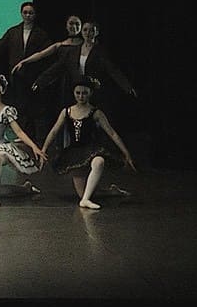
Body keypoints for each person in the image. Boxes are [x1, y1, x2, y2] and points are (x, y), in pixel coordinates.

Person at [39, 79, 136, 210]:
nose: (81, 96)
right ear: (73, 93)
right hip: (74, 153)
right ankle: (110, 192)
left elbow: (112, 133)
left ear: (90, 93)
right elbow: (54, 131)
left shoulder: (96, 112)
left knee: (99, 162)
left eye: (84, 93)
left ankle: (85, 200)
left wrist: (126, 153)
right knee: (82, 193)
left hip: (91, 150)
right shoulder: (67, 111)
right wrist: (44, 149)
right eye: (78, 93)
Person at [0, 1, 50, 138]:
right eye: (25, 12)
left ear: (35, 14)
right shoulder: (13, 31)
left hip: (34, 75)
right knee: (19, 105)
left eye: (31, 13)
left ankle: (34, 136)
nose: (28, 15)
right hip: (17, 74)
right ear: (21, 14)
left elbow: (46, 55)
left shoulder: (41, 34)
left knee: (34, 107)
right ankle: (21, 135)